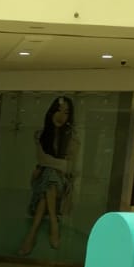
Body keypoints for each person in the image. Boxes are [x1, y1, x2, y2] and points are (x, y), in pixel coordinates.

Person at [24, 96, 78, 255]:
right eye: (58, 110)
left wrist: (50, 164)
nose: (61, 116)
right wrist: (57, 164)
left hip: (61, 184)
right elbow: (43, 159)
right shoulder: (40, 135)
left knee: (49, 177)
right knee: (50, 177)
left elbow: (68, 166)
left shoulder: (72, 139)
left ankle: (31, 235)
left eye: (66, 113)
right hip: (43, 181)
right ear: (51, 112)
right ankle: (54, 223)